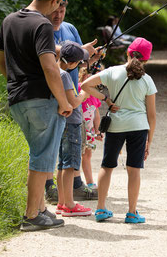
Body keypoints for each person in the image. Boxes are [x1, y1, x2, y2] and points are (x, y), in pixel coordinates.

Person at [0, 0, 72, 232]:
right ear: (54, 0)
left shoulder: (10, 20)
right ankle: (30, 215)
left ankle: (40, 209)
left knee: (39, 154)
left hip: (17, 100)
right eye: (58, 5)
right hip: (42, 100)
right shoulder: (42, 25)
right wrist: (64, 101)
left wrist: (15, 80)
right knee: (42, 157)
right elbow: (50, 67)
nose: (57, 10)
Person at [81, 37, 157, 224]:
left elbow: (84, 85)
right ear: (146, 59)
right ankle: (131, 213)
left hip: (115, 126)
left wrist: (106, 99)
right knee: (134, 169)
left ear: (127, 53)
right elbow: (152, 115)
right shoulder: (147, 80)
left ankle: (100, 209)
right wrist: (149, 140)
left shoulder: (112, 72)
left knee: (107, 166)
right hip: (138, 128)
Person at [45, 0, 99, 202]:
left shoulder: (70, 29)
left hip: (71, 97)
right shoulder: (41, 29)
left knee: (71, 150)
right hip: (57, 101)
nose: (58, 15)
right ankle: (51, 188)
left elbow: (79, 60)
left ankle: (73, 187)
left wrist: (90, 59)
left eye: (62, 10)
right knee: (57, 148)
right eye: (55, 11)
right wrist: (87, 92)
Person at [55, 41, 108, 217]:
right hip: (72, 123)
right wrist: (87, 91)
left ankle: (62, 202)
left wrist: (94, 59)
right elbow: (75, 101)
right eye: (78, 63)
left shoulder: (57, 71)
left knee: (63, 164)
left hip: (64, 123)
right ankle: (70, 204)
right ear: (71, 63)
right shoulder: (65, 76)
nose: (80, 65)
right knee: (70, 164)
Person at [79, 64, 102, 190]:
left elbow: (96, 114)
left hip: (90, 131)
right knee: (76, 155)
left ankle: (89, 182)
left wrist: (97, 130)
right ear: (83, 75)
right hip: (78, 129)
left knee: (87, 156)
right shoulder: (78, 89)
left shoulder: (95, 94)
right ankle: (74, 181)